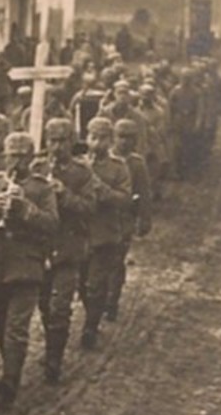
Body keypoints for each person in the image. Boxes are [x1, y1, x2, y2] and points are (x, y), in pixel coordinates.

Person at [0, 134, 58, 408]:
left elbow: (52, 224)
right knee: (2, 325)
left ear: (31, 158)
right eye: (11, 155)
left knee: (17, 327)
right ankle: (10, 367)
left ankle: (10, 380)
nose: (15, 162)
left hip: (27, 264)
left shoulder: (42, 188)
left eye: (21, 156)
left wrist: (26, 210)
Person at [39, 117, 98, 384]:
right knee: (44, 304)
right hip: (41, 249)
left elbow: (89, 208)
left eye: (63, 141)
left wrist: (63, 194)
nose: (57, 146)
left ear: (72, 142)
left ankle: (54, 360)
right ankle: (52, 343)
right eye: (52, 140)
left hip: (69, 247)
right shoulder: (38, 167)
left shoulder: (82, 173)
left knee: (60, 305)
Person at [79, 117, 135, 350]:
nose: (97, 143)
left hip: (104, 234)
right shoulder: (79, 164)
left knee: (96, 284)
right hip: (79, 234)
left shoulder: (119, 167)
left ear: (110, 140)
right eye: (93, 137)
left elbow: (123, 199)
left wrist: (99, 188)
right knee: (81, 283)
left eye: (102, 138)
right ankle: (92, 311)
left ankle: (90, 326)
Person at [107, 118, 153, 322]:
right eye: (121, 137)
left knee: (116, 261)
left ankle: (111, 302)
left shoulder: (137, 164)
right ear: (113, 138)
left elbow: (144, 192)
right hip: (102, 218)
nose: (124, 142)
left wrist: (144, 219)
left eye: (130, 138)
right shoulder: (104, 160)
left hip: (124, 218)